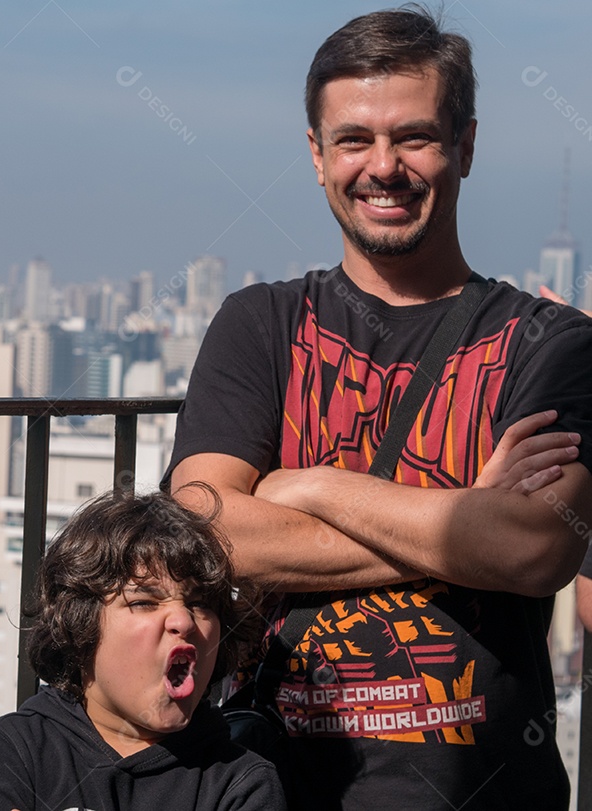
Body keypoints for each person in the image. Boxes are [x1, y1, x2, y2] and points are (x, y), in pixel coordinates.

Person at [167, 6, 592, 809]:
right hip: (276, 788)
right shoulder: (260, 324)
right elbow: (211, 531)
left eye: (416, 137)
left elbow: (539, 548)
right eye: (354, 139)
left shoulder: (550, 342)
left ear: (465, 145)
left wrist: (308, 486)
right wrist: (467, 522)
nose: (383, 166)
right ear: (317, 156)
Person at [0, 489, 286, 811]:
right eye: (144, 602)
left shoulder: (241, 782)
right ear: (80, 626)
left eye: (200, 603)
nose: (183, 621)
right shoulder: (11, 753)